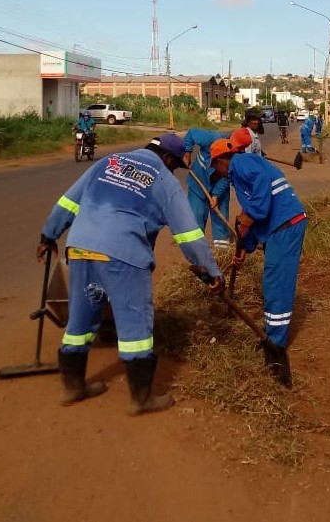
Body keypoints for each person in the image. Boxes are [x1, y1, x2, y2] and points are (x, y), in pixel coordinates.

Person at [37, 134, 225, 416]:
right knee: (135, 324)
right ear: (169, 159)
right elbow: (189, 235)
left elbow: (68, 203)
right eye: (175, 165)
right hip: (123, 254)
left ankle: (72, 387)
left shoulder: (106, 163)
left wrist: (47, 236)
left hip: (80, 249)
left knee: (80, 319)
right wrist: (212, 273)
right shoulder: (163, 178)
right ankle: (141, 399)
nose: (173, 170)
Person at [210, 138, 307, 386]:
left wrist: (248, 216)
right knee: (273, 284)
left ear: (221, 162)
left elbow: (259, 207)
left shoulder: (240, 163)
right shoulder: (241, 169)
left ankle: (275, 343)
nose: (218, 173)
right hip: (279, 227)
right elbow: (254, 216)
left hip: (286, 226)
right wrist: (245, 247)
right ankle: (273, 338)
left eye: (216, 168)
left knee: (276, 285)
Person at [183, 127, 251, 250]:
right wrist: (187, 153)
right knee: (196, 219)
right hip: (198, 185)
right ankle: (197, 254)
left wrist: (216, 195)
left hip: (220, 190)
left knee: (221, 222)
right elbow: (191, 133)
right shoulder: (212, 138)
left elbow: (228, 177)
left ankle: (222, 254)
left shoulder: (237, 156)